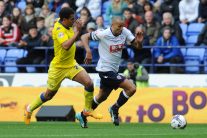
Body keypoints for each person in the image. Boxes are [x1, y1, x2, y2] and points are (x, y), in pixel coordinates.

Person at [24, 7, 102, 126]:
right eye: (71, 19)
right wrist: (77, 32)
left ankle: (87, 110)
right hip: (58, 68)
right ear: (64, 20)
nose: (74, 20)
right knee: (48, 95)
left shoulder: (65, 22)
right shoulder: (58, 29)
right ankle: (29, 109)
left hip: (71, 64)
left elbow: (63, 20)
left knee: (89, 83)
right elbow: (66, 45)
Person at [76, 17, 143, 127]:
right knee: (131, 88)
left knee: (102, 97)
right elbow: (84, 36)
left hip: (113, 70)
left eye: (122, 26)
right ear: (112, 25)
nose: (121, 29)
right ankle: (114, 108)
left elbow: (138, 46)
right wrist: (88, 51)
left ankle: (82, 115)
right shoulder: (103, 33)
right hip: (105, 70)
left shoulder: (125, 32)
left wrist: (139, 42)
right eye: (119, 26)